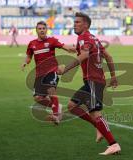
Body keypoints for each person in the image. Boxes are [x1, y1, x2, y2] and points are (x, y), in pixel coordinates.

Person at [58, 12, 121, 155]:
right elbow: (108, 57)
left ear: (86, 24)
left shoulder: (83, 37)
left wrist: (65, 69)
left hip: (94, 81)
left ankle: (114, 144)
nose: (75, 24)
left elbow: (85, 54)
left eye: (78, 22)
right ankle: (99, 127)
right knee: (72, 106)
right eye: (74, 22)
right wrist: (113, 77)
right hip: (93, 81)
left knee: (96, 114)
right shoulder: (94, 39)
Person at [21, 21, 76, 124]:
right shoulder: (32, 44)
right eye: (40, 28)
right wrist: (25, 62)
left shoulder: (52, 41)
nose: (42, 30)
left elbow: (65, 47)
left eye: (43, 28)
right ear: (36, 30)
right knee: (38, 98)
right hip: (39, 74)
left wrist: (74, 49)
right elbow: (29, 56)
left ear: (46, 30)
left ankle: (55, 116)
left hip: (51, 71)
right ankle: (56, 106)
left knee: (51, 91)